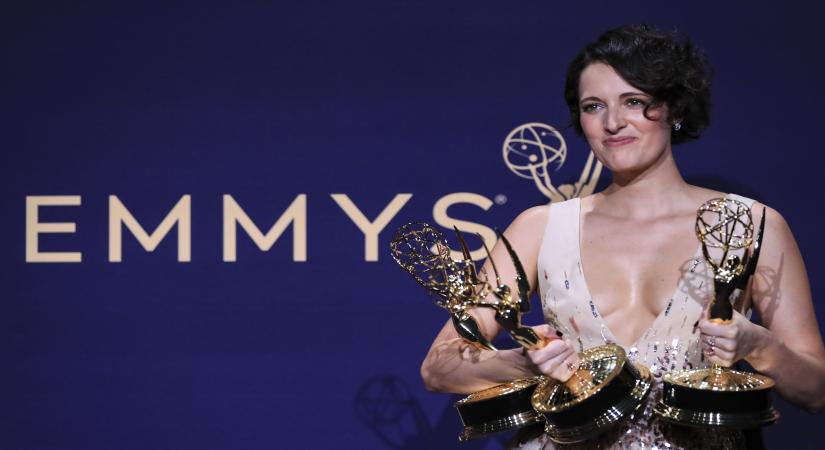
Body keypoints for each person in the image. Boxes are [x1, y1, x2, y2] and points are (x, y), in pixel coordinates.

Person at [420, 25, 825, 449]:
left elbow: (814, 390)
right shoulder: (541, 228)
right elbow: (439, 368)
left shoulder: (750, 225)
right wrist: (523, 361)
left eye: (634, 101)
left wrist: (757, 344)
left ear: (675, 108)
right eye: (594, 106)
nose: (613, 123)